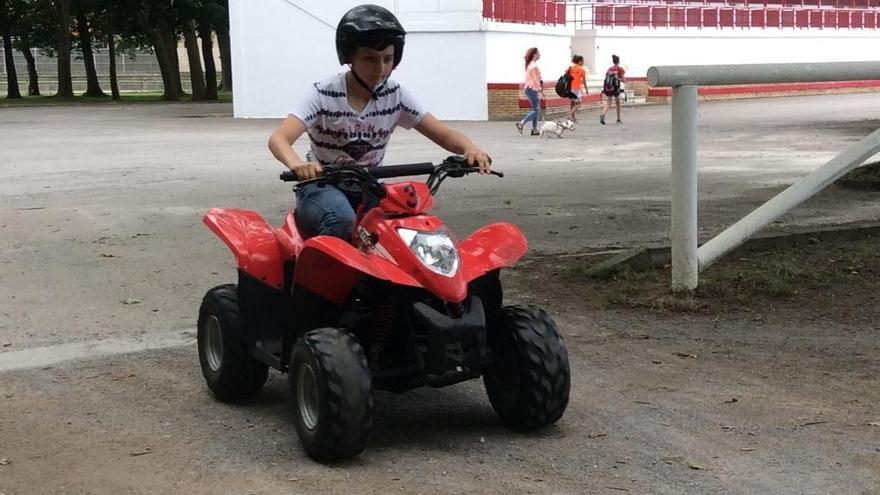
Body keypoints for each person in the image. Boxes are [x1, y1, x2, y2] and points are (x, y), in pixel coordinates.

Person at [268, 4, 491, 241]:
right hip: (321, 186)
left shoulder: (395, 95)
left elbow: (443, 134)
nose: (381, 69)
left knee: (407, 226)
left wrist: (471, 149)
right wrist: (297, 165)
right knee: (341, 219)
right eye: (369, 59)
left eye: (388, 59)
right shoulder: (323, 94)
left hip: (371, 186)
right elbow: (279, 139)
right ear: (349, 57)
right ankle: (320, 278)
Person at [515, 47, 543, 136]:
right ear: (534, 54)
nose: (539, 54)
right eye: (538, 53)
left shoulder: (530, 65)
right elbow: (535, 79)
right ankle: (521, 123)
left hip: (529, 89)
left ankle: (534, 130)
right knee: (536, 110)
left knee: (536, 110)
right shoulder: (533, 66)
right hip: (532, 89)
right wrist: (540, 89)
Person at [599, 54, 626, 125]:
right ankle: (618, 119)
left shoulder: (609, 69)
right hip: (616, 88)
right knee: (618, 103)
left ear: (613, 61)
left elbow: (606, 78)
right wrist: (621, 80)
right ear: (618, 61)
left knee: (609, 102)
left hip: (609, 88)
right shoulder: (620, 69)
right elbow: (623, 79)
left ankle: (603, 114)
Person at [567, 55, 588, 123]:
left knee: (572, 103)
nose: (583, 63)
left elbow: (565, 75)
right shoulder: (581, 70)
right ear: (579, 61)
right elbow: (584, 81)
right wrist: (586, 89)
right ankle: (570, 115)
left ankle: (573, 118)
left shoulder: (570, 68)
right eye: (582, 61)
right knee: (579, 103)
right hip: (576, 88)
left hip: (570, 88)